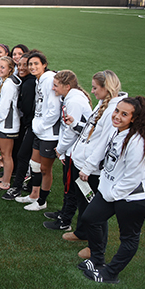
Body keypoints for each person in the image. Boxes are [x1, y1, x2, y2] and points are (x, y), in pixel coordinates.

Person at [78, 96, 145, 284]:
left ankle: (110, 273)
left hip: (133, 198)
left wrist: (112, 195)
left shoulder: (137, 141)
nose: (117, 116)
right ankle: (97, 260)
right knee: (90, 218)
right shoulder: (119, 130)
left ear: (135, 118)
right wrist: (92, 171)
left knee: (128, 238)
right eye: (116, 111)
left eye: (124, 114)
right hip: (113, 191)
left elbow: (132, 178)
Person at [57, 71, 126, 250]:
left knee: (95, 210)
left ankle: (96, 246)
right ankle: (82, 233)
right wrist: (74, 124)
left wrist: (88, 167)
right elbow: (91, 132)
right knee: (83, 202)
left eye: (95, 88)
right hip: (82, 162)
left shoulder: (113, 110)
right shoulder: (103, 104)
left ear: (106, 88)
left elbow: (103, 144)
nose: (92, 91)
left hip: (92, 169)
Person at [40, 70, 93, 230]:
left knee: (71, 187)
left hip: (75, 151)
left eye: (56, 86)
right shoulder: (71, 97)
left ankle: (65, 221)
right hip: (72, 150)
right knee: (68, 185)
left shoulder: (74, 101)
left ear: (67, 86)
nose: (54, 89)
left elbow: (71, 130)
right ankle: (64, 213)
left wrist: (61, 149)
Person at [15, 52, 61, 211]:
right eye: (30, 64)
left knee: (45, 169)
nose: (32, 67)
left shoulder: (49, 80)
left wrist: (40, 127)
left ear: (44, 64)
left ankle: (42, 202)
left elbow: (54, 111)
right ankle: (34, 195)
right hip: (39, 129)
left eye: (36, 64)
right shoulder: (39, 80)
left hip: (48, 133)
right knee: (34, 164)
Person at [2, 53, 37, 201]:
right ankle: (28, 186)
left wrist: (20, 104)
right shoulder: (26, 80)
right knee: (25, 156)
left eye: (26, 65)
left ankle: (16, 187)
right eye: (20, 65)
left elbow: (27, 107)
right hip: (30, 124)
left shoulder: (29, 83)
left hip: (31, 125)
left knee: (24, 156)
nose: (22, 68)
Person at [0, 57, 21, 190]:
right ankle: (4, 179)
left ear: (10, 69)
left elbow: (4, 106)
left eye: (3, 67)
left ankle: (5, 183)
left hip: (7, 124)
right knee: (5, 154)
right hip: (6, 123)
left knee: (6, 155)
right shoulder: (6, 81)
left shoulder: (8, 84)